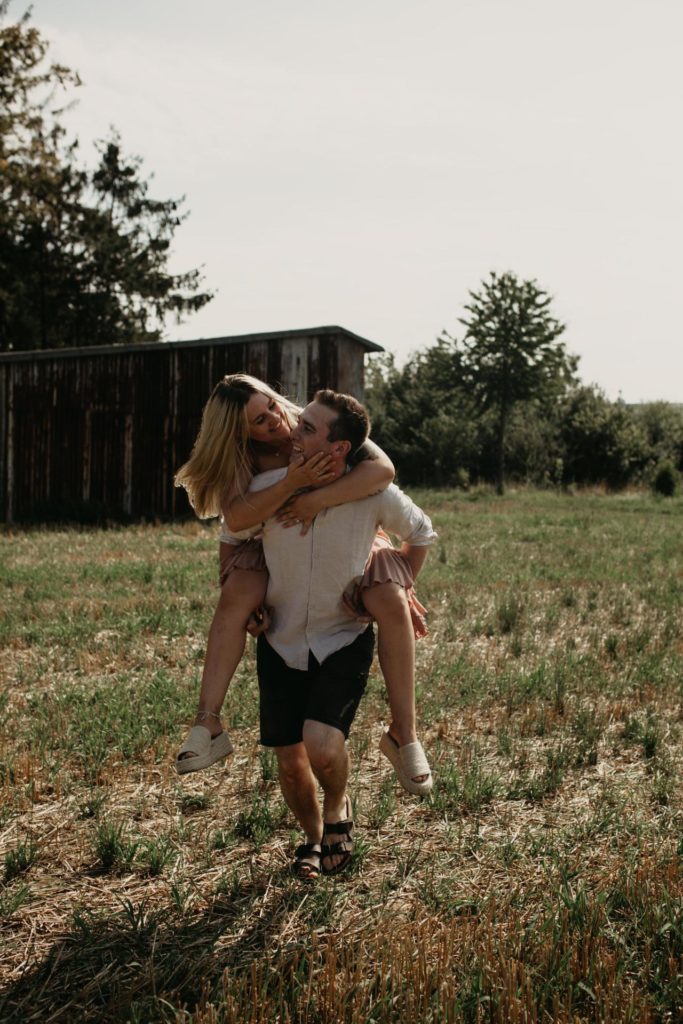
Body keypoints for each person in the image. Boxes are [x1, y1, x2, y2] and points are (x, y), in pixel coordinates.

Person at [173, 374, 432, 794]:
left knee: (388, 595)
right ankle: (207, 720)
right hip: (270, 541)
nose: (276, 422)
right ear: (239, 434)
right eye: (258, 421)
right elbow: (235, 525)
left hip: (344, 534)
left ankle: (405, 733)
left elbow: (382, 469)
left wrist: (313, 500)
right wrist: (291, 486)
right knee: (237, 594)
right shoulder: (244, 462)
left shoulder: (312, 423)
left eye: (272, 406)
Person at [249, 390, 436, 878]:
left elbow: (422, 533)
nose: (292, 429)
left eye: (307, 428)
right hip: (278, 639)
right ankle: (312, 839)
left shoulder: (374, 493)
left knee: (323, 746)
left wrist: (393, 579)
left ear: (338, 449)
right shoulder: (268, 486)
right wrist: (246, 602)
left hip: (343, 637)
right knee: (290, 764)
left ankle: (337, 808)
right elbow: (234, 540)